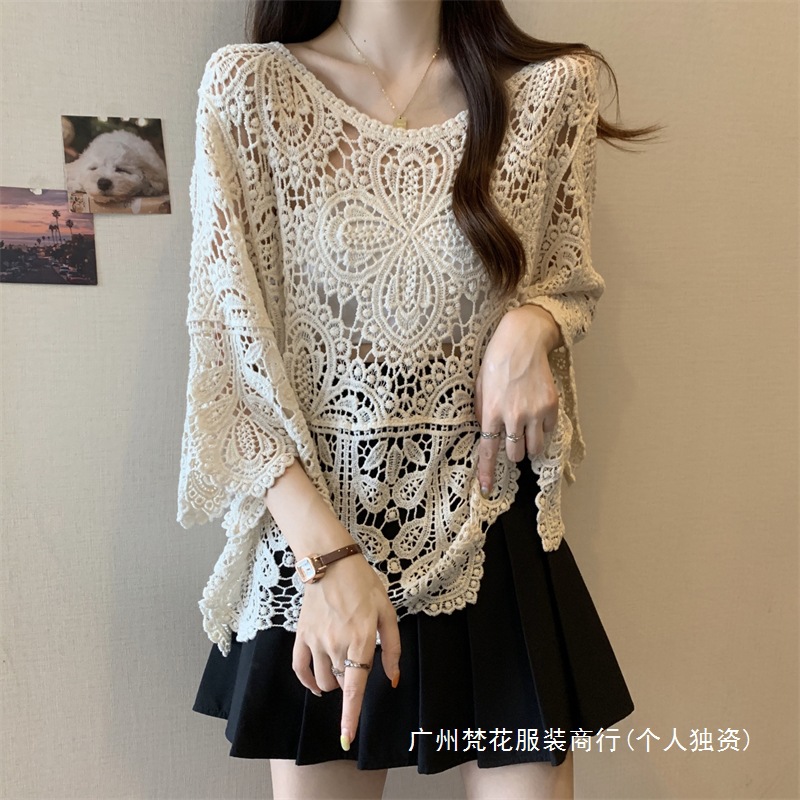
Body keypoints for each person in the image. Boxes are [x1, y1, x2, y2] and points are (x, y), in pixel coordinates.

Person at [177, 1, 660, 797]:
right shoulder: (251, 89)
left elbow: (568, 280)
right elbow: (229, 366)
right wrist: (328, 561)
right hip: (314, 542)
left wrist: (531, 328)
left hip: (489, 530)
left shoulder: (551, 92)